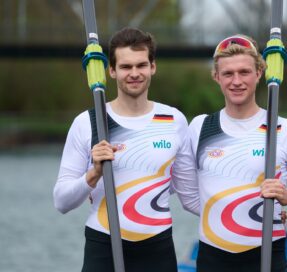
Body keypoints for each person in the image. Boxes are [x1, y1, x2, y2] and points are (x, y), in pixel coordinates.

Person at [173, 34, 287, 272]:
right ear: (216, 77)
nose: (236, 81)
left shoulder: (284, 129)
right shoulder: (200, 127)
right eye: (228, 73)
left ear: (260, 73)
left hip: (267, 256)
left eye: (244, 72)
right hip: (213, 257)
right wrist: (233, 213)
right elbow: (189, 198)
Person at [53, 27, 188, 272]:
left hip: (158, 249)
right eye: (126, 67)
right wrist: (92, 174)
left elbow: (189, 191)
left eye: (141, 65)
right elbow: (61, 201)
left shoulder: (174, 120)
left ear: (153, 67)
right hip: (103, 246)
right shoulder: (88, 122)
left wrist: (270, 211)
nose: (134, 73)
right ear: (112, 71)